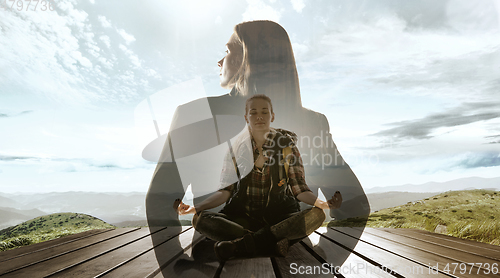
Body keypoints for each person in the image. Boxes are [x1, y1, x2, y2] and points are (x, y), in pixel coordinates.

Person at [145, 20, 369, 271]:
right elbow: (354, 205)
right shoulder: (312, 122)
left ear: (247, 59)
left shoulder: (194, 115)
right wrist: (320, 267)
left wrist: (177, 272)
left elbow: (160, 201)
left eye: (228, 51)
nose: (220, 61)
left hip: (214, 261)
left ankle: (249, 242)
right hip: (292, 261)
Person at [173, 95, 342, 260]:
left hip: (279, 217)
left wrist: (322, 204)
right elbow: (225, 192)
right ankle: (268, 242)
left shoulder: (287, 147)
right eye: (253, 112)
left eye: (264, 112)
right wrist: (195, 208)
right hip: (242, 219)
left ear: (272, 116)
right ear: (246, 117)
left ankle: (240, 245)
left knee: (317, 215)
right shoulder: (236, 149)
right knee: (200, 219)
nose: (259, 116)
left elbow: (299, 189)